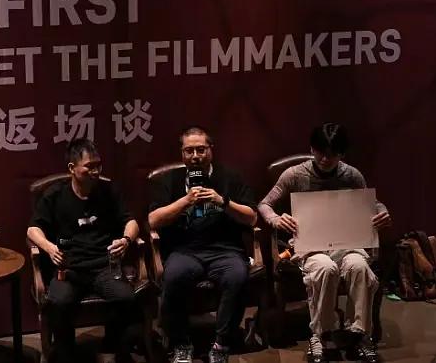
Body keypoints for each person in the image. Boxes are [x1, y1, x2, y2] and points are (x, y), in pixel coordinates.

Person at [258, 123, 392, 363]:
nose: (325, 159)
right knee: (324, 268)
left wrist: (381, 212)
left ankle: (360, 334)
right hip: (311, 245)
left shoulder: (351, 175)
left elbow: (372, 204)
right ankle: (321, 334)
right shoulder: (294, 174)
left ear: (342, 154)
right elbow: (265, 204)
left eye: (333, 154)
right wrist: (276, 219)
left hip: (347, 243)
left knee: (359, 267)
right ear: (312, 148)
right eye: (320, 152)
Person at [148, 126, 257, 363]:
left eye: (201, 149)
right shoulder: (169, 180)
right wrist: (185, 201)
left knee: (237, 276)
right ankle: (181, 343)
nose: (195, 156)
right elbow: (153, 220)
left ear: (211, 150)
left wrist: (222, 201)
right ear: (182, 153)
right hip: (185, 250)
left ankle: (221, 343)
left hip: (225, 250)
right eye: (189, 151)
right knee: (173, 277)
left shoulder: (230, 177)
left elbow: (252, 218)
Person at [27, 138, 140, 363]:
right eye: (89, 166)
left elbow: (131, 221)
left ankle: (110, 347)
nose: (95, 171)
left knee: (126, 297)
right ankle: (66, 352)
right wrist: (49, 247)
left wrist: (126, 240)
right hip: (69, 268)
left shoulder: (108, 191)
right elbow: (33, 229)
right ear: (72, 168)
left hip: (104, 266)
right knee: (59, 302)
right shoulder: (55, 195)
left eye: (98, 165)